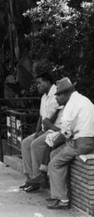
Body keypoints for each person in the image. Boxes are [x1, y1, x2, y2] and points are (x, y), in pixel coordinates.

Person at [46, 77, 94, 210]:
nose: (56, 98)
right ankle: (57, 193)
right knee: (55, 154)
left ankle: (62, 199)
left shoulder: (70, 107)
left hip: (81, 143)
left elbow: (65, 133)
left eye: (59, 95)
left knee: (54, 164)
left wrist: (54, 141)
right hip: (89, 141)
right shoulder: (84, 100)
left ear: (67, 93)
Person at [19, 72, 62, 192]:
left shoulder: (57, 94)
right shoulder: (43, 97)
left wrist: (41, 134)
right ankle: (30, 178)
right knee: (25, 143)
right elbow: (41, 117)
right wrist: (37, 132)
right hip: (44, 129)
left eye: (39, 83)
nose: (38, 86)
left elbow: (51, 119)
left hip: (54, 129)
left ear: (48, 82)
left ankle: (39, 177)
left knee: (36, 144)